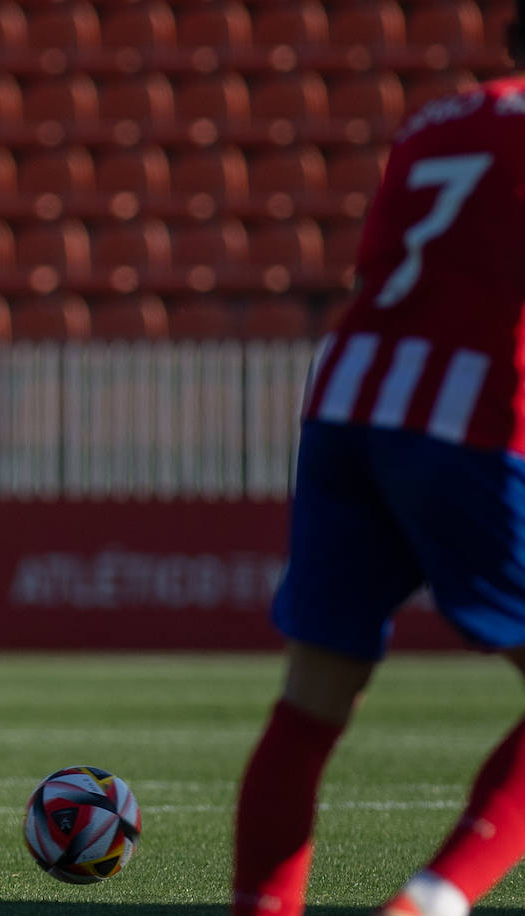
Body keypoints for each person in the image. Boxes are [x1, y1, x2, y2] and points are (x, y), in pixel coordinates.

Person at [232, 9, 525, 916]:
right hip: (465, 413)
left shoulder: (436, 120)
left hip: (349, 400)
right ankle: (429, 905)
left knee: (313, 697)